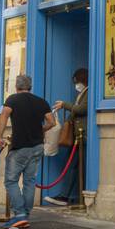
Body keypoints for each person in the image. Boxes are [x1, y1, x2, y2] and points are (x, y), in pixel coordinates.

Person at [0, 74, 55, 229]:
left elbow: (3, 117)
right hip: (37, 147)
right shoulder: (41, 102)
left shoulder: (12, 100)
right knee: (29, 181)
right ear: (30, 86)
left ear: (17, 86)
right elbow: (52, 122)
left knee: (11, 181)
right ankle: (25, 216)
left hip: (20, 147)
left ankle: (20, 214)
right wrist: (40, 130)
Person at [44, 68, 88, 209]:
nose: (76, 85)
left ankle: (67, 196)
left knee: (73, 167)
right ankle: (70, 196)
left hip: (82, 137)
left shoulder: (88, 92)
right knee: (73, 167)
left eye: (77, 81)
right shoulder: (82, 93)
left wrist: (65, 105)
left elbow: (81, 109)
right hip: (77, 137)